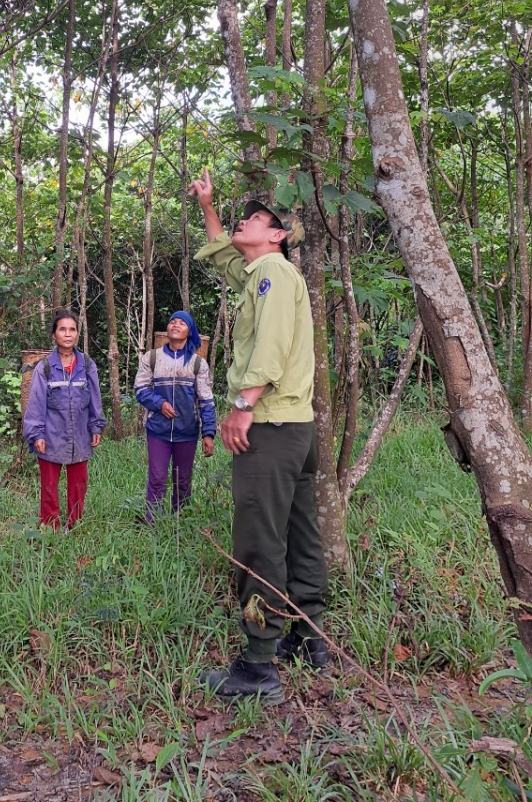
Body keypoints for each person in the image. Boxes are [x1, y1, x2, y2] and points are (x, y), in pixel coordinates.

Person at [189, 168, 328, 705]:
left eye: (256, 218)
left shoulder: (272, 273)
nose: (242, 221)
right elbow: (227, 256)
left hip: (268, 425)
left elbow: (268, 345)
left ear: (277, 236)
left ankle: (259, 664)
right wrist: (208, 209)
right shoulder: (262, 273)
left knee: (258, 541)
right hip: (297, 427)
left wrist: (243, 405)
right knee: (299, 532)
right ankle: (308, 637)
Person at [23, 309, 107, 530]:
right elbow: (36, 402)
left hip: (80, 434)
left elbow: (95, 399)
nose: (67, 334)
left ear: (78, 334)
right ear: (54, 335)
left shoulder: (87, 365)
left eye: (72, 329)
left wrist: (96, 426)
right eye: (62, 329)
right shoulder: (45, 367)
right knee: (49, 484)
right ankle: (50, 527)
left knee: (78, 483)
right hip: (51, 434)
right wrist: (37, 434)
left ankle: (74, 524)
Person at [134, 310, 216, 522]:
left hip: (187, 432)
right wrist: (159, 403)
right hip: (157, 430)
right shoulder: (152, 358)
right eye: (172, 322)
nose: (176, 325)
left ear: (190, 331)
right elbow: (140, 389)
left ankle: (181, 523)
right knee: (157, 478)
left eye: (182, 323)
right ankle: (152, 522)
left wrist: (208, 433)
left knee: (183, 481)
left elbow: (206, 400)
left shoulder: (198, 364)